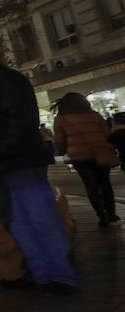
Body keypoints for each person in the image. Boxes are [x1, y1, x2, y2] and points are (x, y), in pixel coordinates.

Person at [0, 40, 78, 291]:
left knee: (39, 218)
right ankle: (41, 273)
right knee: (17, 221)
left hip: (18, 163)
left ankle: (60, 274)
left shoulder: (7, 81)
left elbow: (21, 123)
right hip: (1, 165)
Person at [52, 92, 119, 229]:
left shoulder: (61, 119)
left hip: (79, 156)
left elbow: (60, 140)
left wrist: (62, 151)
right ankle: (111, 213)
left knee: (91, 186)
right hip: (99, 153)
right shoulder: (94, 115)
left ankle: (101, 216)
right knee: (105, 183)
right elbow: (106, 133)